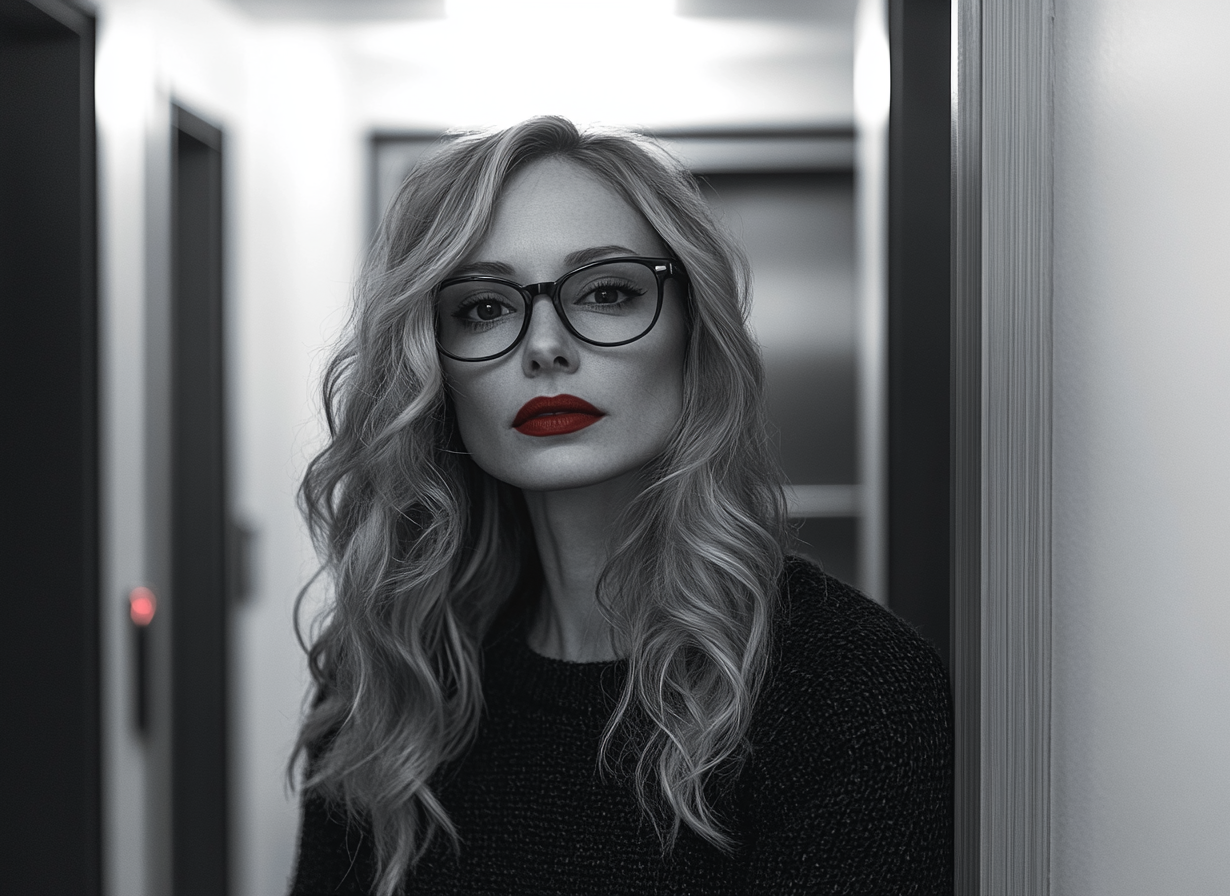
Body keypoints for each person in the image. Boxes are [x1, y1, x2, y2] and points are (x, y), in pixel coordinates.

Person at [288, 116, 951, 896]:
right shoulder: (391, 682)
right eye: (484, 308)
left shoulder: (852, 692)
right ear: (433, 365)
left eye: (607, 292)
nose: (545, 346)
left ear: (692, 330)